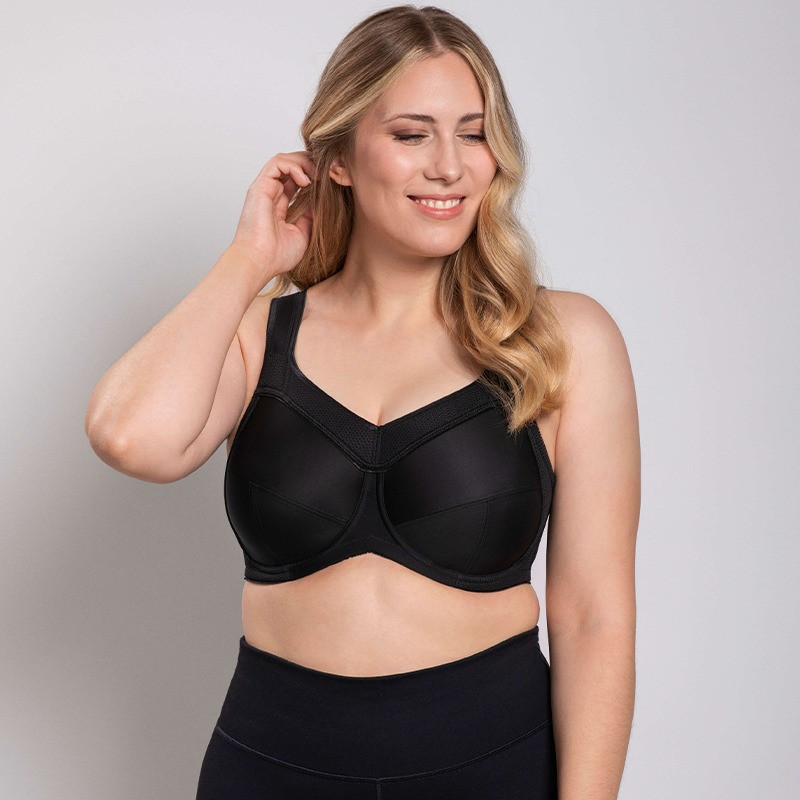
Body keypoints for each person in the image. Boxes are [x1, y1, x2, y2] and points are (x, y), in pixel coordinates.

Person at [85, 5, 639, 798]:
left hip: (491, 766)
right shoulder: (258, 335)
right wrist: (250, 258)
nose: (448, 166)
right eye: (412, 135)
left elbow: (593, 617)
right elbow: (129, 438)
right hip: (270, 766)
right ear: (339, 158)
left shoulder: (561, 339)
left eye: (473, 134)